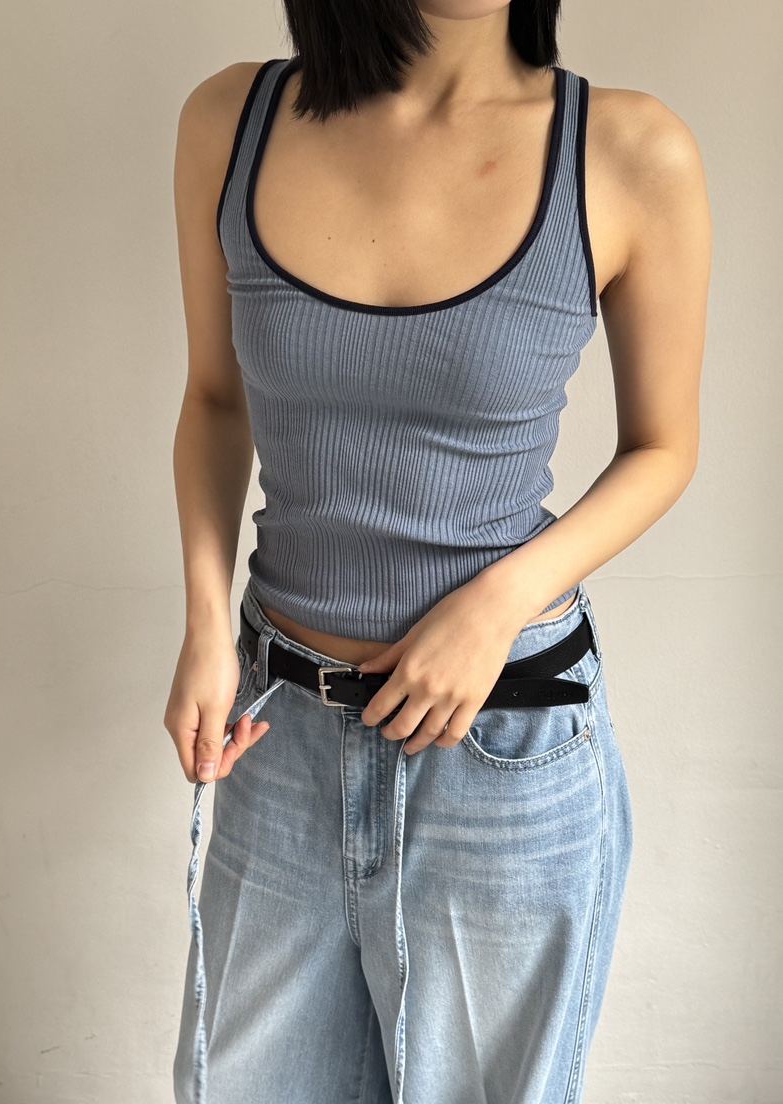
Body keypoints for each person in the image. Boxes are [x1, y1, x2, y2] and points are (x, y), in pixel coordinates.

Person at [164, 1, 711, 1101]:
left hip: (504, 746)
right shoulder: (232, 120)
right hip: (277, 733)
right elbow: (217, 401)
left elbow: (664, 448)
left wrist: (500, 601)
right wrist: (205, 627)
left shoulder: (628, 151)